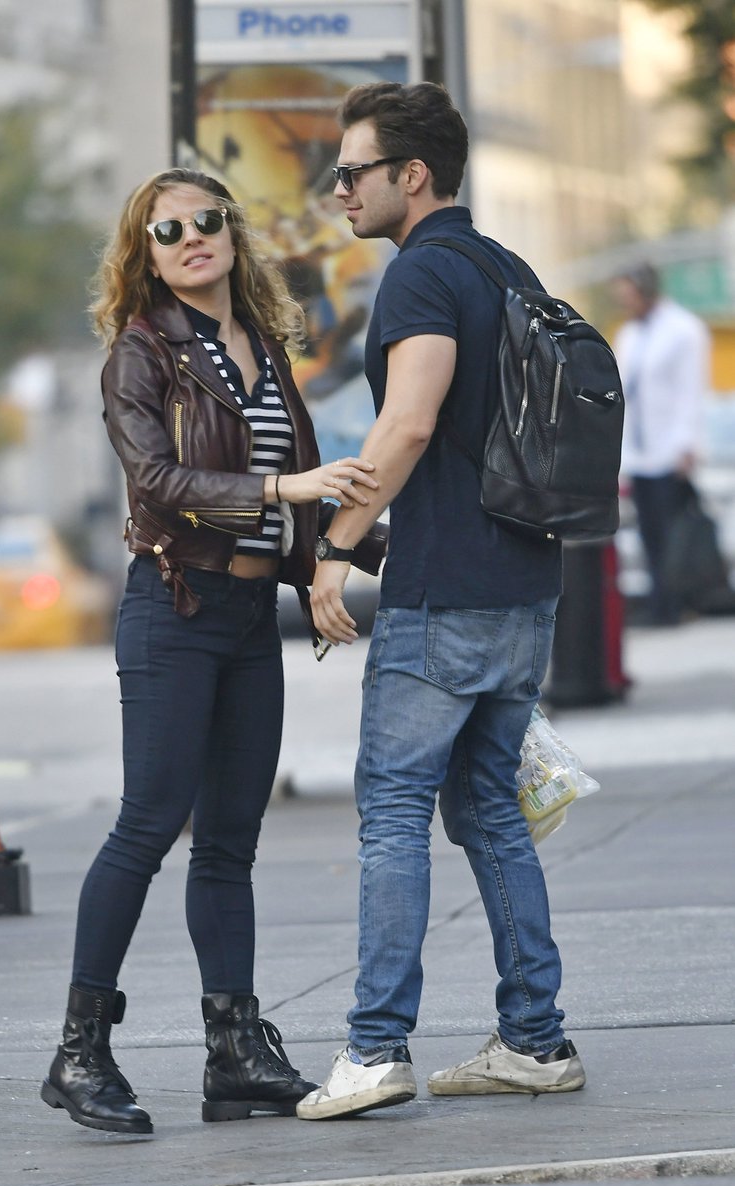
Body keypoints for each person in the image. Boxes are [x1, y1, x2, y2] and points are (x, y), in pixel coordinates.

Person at [40, 167, 378, 1133]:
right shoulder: (140, 354)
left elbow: (313, 498)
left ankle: (234, 1053)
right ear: (141, 254)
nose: (191, 237)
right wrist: (285, 493)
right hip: (173, 609)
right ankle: (79, 1052)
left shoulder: (264, 349)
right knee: (147, 826)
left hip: (244, 623)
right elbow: (154, 481)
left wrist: (372, 546)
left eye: (207, 220)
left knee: (230, 844)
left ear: (234, 232)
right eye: (167, 230)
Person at [296, 82, 585, 1120]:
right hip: (521, 585)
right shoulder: (505, 268)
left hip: (444, 597)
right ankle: (533, 1040)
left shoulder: (419, 276)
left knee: (389, 817)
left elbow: (408, 424)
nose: (337, 191)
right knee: (491, 820)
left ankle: (374, 1051)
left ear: (409, 176)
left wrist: (331, 546)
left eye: (351, 172)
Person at [612, 263, 710, 626]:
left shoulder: (683, 330)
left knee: (674, 532)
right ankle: (659, 604)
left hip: (671, 448)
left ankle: (677, 601)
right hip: (639, 452)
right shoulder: (629, 334)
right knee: (650, 532)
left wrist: (686, 444)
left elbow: (690, 390)